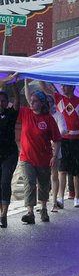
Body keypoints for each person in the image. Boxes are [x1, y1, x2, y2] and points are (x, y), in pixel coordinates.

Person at [19, 81, 62, 225]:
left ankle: (43, 208)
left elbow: (56, 139)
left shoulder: (48, 119)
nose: (32, 103)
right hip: (27, 158)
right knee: (29, 182)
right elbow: (26, 96)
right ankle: (30, 212)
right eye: (31, 101)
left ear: (42, 103)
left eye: (35, 101)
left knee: (43, 184)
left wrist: (55, 156)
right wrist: (25, 79)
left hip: (44, 158)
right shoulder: (26, 113)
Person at [44, 83, 79, 208]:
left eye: (65, 86)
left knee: (76, 170)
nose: (63, 88)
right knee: (62, 170)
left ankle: (77, 197)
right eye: (62, 86)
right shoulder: (58, 98)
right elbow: (44, 88)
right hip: (63, 140)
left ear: (72, 87)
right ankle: (60, 197)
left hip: (77, 139)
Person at [0, 73, 19, 228]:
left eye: (3, 101)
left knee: (5, 182)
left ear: (7, 103)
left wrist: (13, 83)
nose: (1, 103)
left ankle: (4, 214)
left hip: (10, 154)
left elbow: (17, 101)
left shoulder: (11, 114)